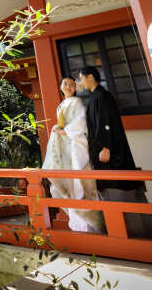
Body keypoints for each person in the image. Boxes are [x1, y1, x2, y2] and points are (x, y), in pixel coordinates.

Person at [77, 66, 152, 239]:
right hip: (102, 153)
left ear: (90, 77)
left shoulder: (103, 97)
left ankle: (136, 237)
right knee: (111, 191)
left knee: (120, 190)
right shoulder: (95, 97)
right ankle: (123, 235)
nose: (80, 82)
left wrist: (106, 146)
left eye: (81, 78)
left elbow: (107, 124)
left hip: (110, 154)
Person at [41, 77, 104, 233]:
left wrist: (64, 131)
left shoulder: (77, 102)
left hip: (76, 145)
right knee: (64, 184)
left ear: (75, 87)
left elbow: (81, 121)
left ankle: (88, 225)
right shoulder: (61, 105)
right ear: (61, 87)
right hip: (64, 147)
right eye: (65, 84)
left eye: (72, 84)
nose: (68, 86)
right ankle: (77, 224)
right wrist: (59, 130)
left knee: (79, 183)